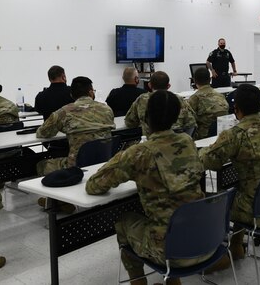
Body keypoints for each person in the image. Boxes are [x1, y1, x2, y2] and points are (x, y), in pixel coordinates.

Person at [86, 91, 206, 285]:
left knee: (124, 221)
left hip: (173, 250)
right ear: (177, 117)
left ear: (146, 117)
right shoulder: (188, 142)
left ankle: (139, 282)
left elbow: (94, 185)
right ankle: (173, 281)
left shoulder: (139, 153)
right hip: (205, 237)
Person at [200, 84, 260, 271]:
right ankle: (236, 245)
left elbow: (209, 162)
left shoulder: (235, 134)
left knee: (213, 193)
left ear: (236, 109)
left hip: (254, 209)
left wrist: (203, 150)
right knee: (244, 187)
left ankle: (211, 254)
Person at [36, 76, 115, 175]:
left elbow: (42, 133)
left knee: (41, 164)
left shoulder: (64, 111)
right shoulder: (107, 109)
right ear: (91, 92)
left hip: (76, 165)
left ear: (71, 95)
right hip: (104, 161)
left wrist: (64, 128)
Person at [125, 71, 196, 136]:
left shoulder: (142, 99)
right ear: (168, 86)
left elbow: (130, 122)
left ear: (149, 85)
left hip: (151, 145)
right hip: (177, 143)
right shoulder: (179, 99)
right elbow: (191, 123)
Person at [187, 67, 229, 140]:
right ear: (210, 79)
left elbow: (188, 120)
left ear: (194, 81)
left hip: (204, 137)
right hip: (222, 134)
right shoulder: (220, 95)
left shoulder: (195, 98)